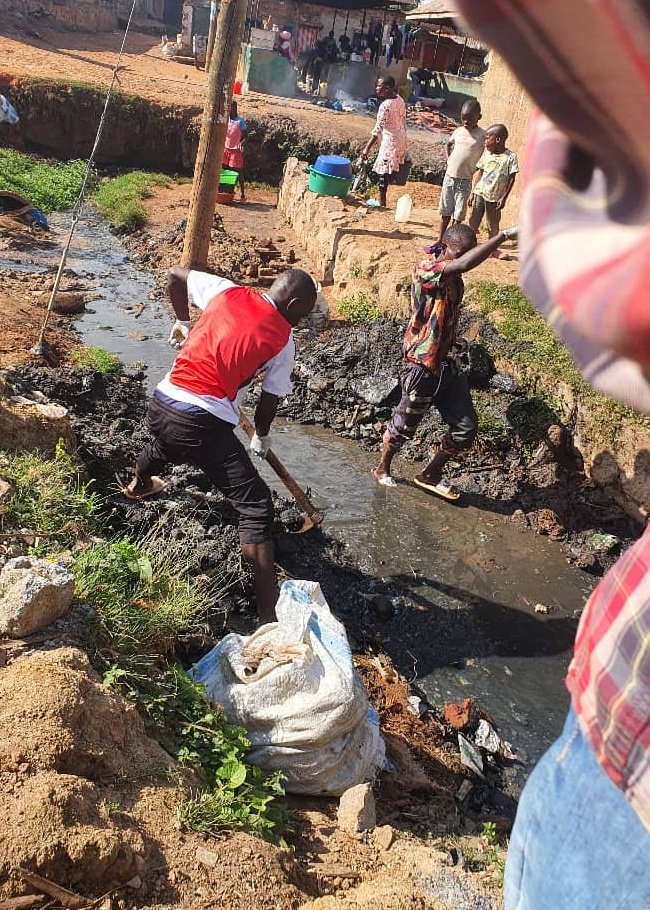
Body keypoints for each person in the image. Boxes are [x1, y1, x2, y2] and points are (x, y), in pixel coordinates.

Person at [453, 1, 650, 907]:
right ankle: (387, 465)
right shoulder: (432, 275)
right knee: (426, 408)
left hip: (621, 771)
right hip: (619, 767)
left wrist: (511, 228)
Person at [124, 268, 317, 623]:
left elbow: (174, 277)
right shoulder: (283, 338)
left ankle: (138, 486)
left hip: (163, 401)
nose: (301, 321)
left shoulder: (227, 291)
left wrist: (183, 320)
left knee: (169, 443)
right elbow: (270, 398)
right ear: (293, 303)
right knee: (256, 506)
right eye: (303, 313)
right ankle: (269, 617)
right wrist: (262, 433)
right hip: (201, 421)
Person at [373, 222, 517, 495]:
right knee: (404, 424)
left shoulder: (455, 278)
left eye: (467, 254)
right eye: (458, 252)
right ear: (443, 247)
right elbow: (460, 266)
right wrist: (504, 236)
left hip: (447, 363)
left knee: (466, 428)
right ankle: (382, 468)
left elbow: (460, 269)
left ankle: (430, 473)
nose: (462, 259)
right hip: (422, 363)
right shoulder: (426, 269)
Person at [436, 99, 485, 243]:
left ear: (479, 117)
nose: (465, 121)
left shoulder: (482, 135)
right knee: (445, 210)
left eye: (469, 119)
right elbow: (448, 144)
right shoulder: (458, 131)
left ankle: (450, 240)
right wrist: (448, 158)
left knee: (458, 214)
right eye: (463, 118)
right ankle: (440, 239)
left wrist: (477, 167)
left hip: (465, 180)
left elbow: (486, 155)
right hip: (449, 177)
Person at [360, 76, 408, 209]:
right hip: (401, 138)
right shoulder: (400, 100)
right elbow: (403, 120)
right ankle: (383, 202)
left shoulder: (385, 106)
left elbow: (378, 130)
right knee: (387, 171)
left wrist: (366, 149)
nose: (376, 88)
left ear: (387, 88)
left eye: (379, 86)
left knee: (383, 173)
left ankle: (382, 203)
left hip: (390, 141)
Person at [468, 123, 518, 237]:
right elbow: (480, 172)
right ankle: (469, 243)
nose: (484, 141)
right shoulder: (487, 154)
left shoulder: (510, 157)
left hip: (495, 198)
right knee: (473, 220)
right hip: (480, 193)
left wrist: (504, 197)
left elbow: (512, 178)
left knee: (493, 224)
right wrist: (472, 192)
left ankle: (491, 247)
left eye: (487, 138)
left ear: (498, 140)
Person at [223, 100, 247, 203]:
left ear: (234, 108)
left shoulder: (240, 121)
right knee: (225, 171)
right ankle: (227, 191)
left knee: (238, 172)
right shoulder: (226, 120)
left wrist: (241, 143)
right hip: (226, 149)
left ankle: (242, 195)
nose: (228, 110)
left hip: (235, 150)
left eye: (230, 108)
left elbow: (246, 135)